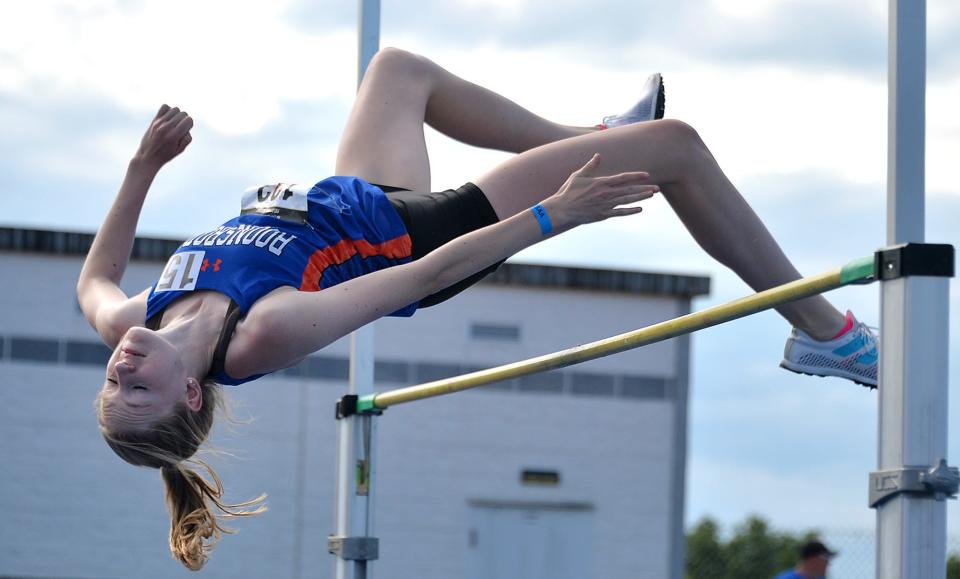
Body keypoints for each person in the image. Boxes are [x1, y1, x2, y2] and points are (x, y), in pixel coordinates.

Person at [76, 48, 877, 570]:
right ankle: (824, 332)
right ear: (188, 392)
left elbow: (95, 280)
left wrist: (143, 167)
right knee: (677, 147)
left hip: (361, 198)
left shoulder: (136, 319)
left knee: (396, 72)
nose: (121, 372)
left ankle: (595, 134)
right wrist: (546, 219)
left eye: (113, 386)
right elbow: (420, 278)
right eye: (136, 391)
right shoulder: (259, 334)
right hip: (426, 238)